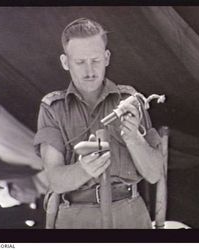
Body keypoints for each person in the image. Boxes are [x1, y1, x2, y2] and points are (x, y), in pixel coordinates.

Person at [34, 18, 164, 229]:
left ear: (106, 58)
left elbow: (154, 173)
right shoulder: (52, 108)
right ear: (65, 62)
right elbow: (56, 180)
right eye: (80, 62)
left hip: (128, 214)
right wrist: (84, 169)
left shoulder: (129, 99)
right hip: (76, 218)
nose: (90, 70)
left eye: (95, 60)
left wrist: (133, 138)